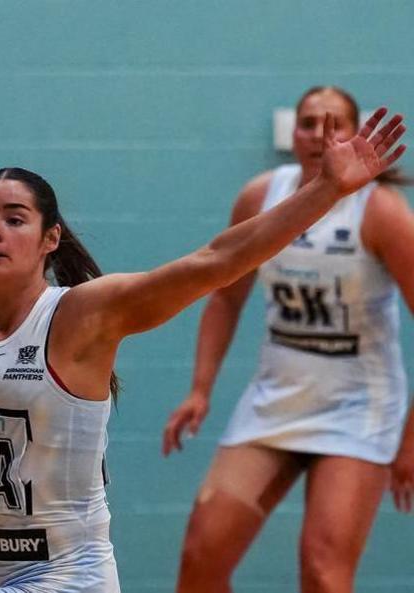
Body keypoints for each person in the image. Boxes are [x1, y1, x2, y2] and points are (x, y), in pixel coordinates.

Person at [0, 4, 407, 591]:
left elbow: (218, 260)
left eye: (13, 217)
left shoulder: (84, 314)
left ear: (50, 237)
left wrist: (325, 191)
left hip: (70, 575)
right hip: (1, 572)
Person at [161, 86, 414, 593]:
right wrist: (200, 388)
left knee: (322, 574)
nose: (322, 135)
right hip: (275, 400)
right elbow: (225, 296)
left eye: (336, 123)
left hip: (357, 407)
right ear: (292, 134)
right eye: (309, 123)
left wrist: (411, 438)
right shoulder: (261, 196)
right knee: (200, 559)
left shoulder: (381, 211)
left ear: (356, 132)